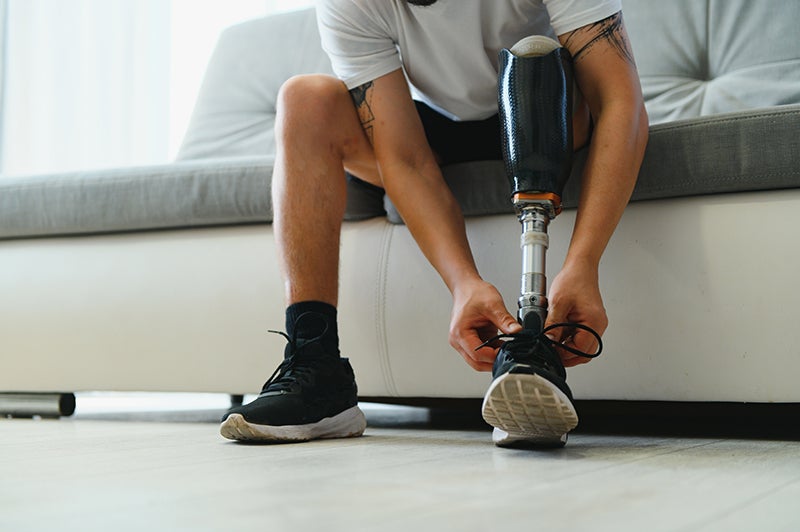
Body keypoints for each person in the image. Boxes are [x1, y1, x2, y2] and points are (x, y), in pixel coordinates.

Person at [220, 0, 648, 446]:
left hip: (551, 106)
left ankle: (533, 347)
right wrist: (463, 283)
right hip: (435, 134)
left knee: (534, 59)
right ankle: (316, 367)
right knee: (304, 100)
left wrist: (584, 262)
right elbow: (405, 159)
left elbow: (620, 100)